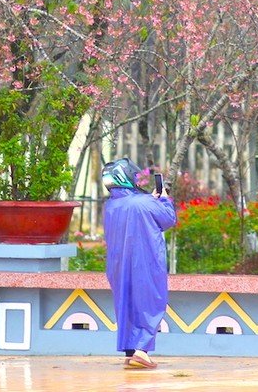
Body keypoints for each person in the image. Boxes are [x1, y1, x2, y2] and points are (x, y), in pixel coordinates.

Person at [101, 157, 177, 370]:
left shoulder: (111, 206)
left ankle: (130, 351)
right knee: (149, 304)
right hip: (144, 263)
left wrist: (151, 200)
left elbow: (136, 208)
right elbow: (168, 219)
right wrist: (162, 199)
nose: (136, 180)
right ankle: (142, 351)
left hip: (117, 266)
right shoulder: (144, 202)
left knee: (125, 304)